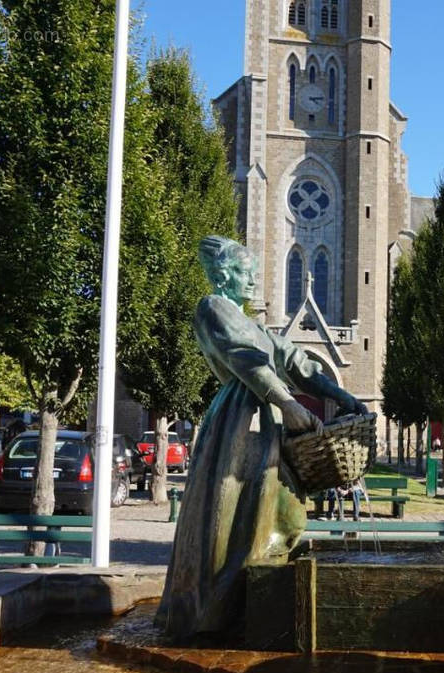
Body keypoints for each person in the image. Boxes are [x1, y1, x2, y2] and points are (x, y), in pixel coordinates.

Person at [157, 236, 366, 639]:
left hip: (264, 425)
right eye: (245, 272)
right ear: (223, 274)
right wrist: (287, 404)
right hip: (239, 423)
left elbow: (294, 360)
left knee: (283, 512)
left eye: (254, 273)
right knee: (236, 513)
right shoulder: (213, 308)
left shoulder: (251, 322)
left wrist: (342, 396)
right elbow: (244, 359)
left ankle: (252, 601)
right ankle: (219, 611)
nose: (253, 280)